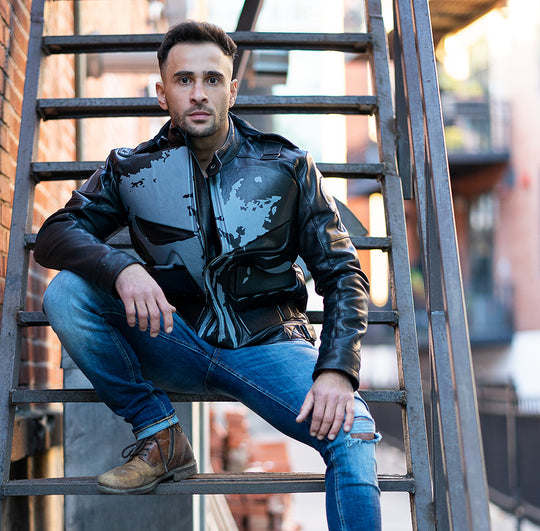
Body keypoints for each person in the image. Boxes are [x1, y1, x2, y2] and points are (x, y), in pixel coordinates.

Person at [34, 21, 381, 529]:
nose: (199, 93)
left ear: (232, 90)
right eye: (184, 80)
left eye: (212, 79)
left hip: (268, 345)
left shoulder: (287, 166)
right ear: (162, 93)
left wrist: (337, 369)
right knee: (66, 293)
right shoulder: (131, 170)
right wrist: (121, 268)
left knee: (354, 435)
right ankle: (159, 432)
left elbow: (343, 273)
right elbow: (54, 234)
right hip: (174, 338)